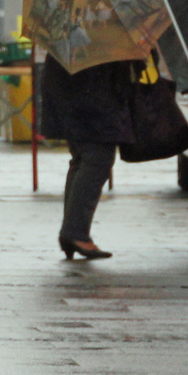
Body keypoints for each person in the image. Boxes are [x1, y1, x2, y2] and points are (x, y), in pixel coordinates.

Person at [39, 55, 136, 259]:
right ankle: (75, 232)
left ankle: (73, 231)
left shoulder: (67, 28)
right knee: (97, 159)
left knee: (83, 158)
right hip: (90, 90)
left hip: (72, 84)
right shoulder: (98, 27)